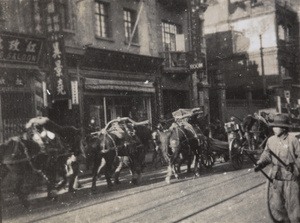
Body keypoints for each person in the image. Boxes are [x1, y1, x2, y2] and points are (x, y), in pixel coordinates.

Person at [254, 113, 300, 223]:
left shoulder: (292, 140)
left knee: (293, 208)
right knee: (278, 205)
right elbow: (266, 155)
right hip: (277, 178)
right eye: (273, 126)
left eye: (276, 126)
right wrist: (260, 163)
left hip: (291, 178)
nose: (274, 129)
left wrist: (295, 166)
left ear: (284, 128)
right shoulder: (271, 140)